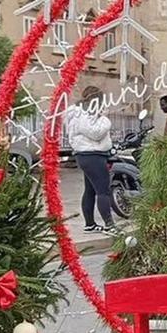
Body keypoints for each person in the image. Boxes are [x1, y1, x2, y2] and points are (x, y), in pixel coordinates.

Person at [66, 86, 117, 233]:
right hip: (93, 155)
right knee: (103, 191)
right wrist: (106, 120)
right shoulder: (84, 114)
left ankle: (90, 224)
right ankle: (110, 225)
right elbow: (95, 133)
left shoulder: (78, 113)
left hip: (85, 155)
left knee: (90, 190)